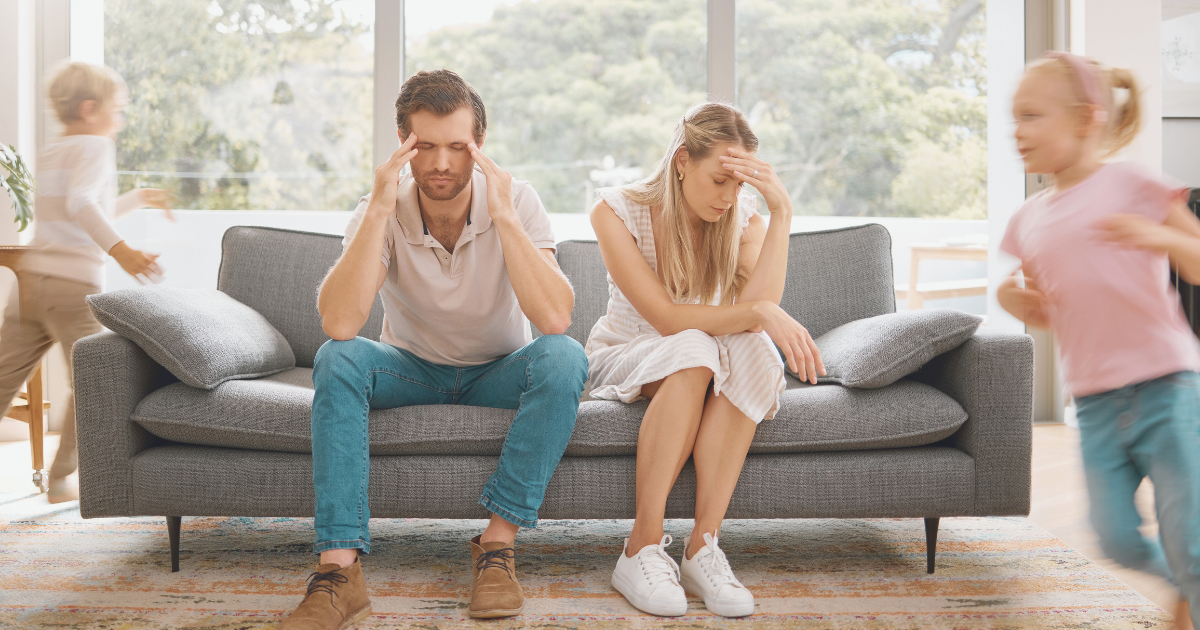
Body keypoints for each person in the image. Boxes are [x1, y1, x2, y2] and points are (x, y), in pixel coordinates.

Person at [279, 69, 588, 629]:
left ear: (479, 147)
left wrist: (505, 219)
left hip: (498, 370)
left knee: (565, 355)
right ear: (403, 146)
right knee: (337, 357)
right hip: (412, 370)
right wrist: (378, 210)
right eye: (425, 147)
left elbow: (555, 319)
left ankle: (496, 548)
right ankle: (339, 573)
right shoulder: (380, 206)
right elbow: (341, 322)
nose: (441, 163)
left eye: (456, 147)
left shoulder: (517, 201)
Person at [586, 102, 824, 618]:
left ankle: (702, 548)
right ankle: (640, 548)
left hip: (702, 357)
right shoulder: (615, 210)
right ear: (681, 162)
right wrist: (757, 310)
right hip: (625, 353)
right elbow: (669, 319)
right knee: (694, 345)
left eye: (740, 185)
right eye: (720, 180)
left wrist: (781, 212)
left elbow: (756, 318)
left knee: (757, 352)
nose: (729, 196)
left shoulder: (742, 221)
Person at [998, 51, 1200, 630]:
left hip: (1167, 384)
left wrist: (1153, 232)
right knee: (1117, 540)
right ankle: (1186, 581)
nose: (1018, 131)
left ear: (1087, 118)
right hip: (1095, 399)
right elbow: (1044, 307)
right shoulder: (1028, 219)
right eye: (1015, 117)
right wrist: (1014, 301)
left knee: (1189, 534)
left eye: (1032, 116)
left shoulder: (1135, 184)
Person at [0, 61, 171, 504]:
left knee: (3, 378)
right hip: (72, 287)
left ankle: (59, 478)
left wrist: (138, 197)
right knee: (91, 380)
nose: (122, 118)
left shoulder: (54, 149)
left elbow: (82, 209)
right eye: (120, 109)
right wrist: (123, 251)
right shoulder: (95, 147)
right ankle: (60, 479)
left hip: (32, 282)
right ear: (91, 108)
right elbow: (83, 204)